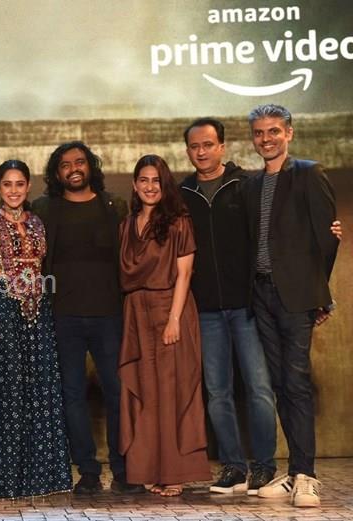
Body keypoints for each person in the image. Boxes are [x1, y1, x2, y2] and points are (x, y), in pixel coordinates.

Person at [31, 142, 142, 494]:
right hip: (63, 316)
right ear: (56, 172)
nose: (74, 168)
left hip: (109, 315)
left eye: (80, 162)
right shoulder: (43, 208)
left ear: (91, 166)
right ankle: (88, 470)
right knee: (72, 395)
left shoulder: (114, 206)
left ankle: (123, 469)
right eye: (65, 164)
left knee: (117, 392)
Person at [242, 104, 338, 508]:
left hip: (295, 296)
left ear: (289, 134)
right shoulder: (250, 184)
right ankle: (295, 470)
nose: (266, 139)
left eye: (274, 131)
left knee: (296, 381)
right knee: (280, 382)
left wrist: (317, 292)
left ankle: (307, 476)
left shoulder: (308, 173)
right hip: (261, 295)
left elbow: (327, 238)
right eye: (259, 132)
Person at [179, 118, 277, 495]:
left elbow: (270, 235)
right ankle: (234, 467)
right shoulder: (183, 193)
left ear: (222, 147)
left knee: (259, 388)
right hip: (205, 310)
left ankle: (264, 466)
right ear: (188, 151)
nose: (201, 151)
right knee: (217, 392)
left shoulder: (246, 185)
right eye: (194, 146)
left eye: (208, 144)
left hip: (247, 307)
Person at [0, 160, 71, 499]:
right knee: (8, 393)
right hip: (2, 310)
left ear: (28, 187)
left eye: (19, 184)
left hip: (37, 313)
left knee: (39, 391)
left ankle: (41, 477)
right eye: (7, 184)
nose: (13, 190)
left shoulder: (37, 222)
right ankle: (5, 479)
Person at [118, 154, 211, 497]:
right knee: (146, 393)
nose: (150, 186)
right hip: (136, 314)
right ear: (134, 184)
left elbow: (184, 274)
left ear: (165, 184)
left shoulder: (178, 222)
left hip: (170, 307)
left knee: (172, 391)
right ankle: (148, 469)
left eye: (156, 180)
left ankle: (174, 472)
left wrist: (173, 319)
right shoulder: (127, 225)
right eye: (143, 180)